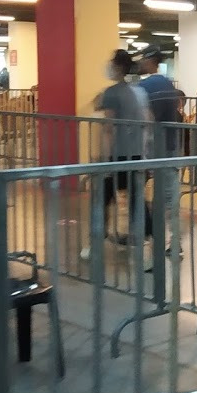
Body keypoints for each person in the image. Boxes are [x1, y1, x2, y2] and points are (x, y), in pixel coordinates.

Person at [80, 50, 154, 261]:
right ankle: (147, 243)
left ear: (119, 67)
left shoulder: (111, 93)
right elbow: (148, 122)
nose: (109, 66)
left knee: (102, 200)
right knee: (136, 200)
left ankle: (94, 243)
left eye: (112, 63)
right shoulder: (139, 92)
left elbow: (108, 128)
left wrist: (104, 159)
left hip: (118, 155)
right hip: (136, 154)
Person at [133, 45, 183, 256]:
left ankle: (150, 237)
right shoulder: (168, 83)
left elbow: (146, 118)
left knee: (139, 190)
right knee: (169, 196)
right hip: (170, 146)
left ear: (150, 60)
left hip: (152, 148)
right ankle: (173, 240)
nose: (141, 63)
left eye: (143, 59)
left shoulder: (145, 86)